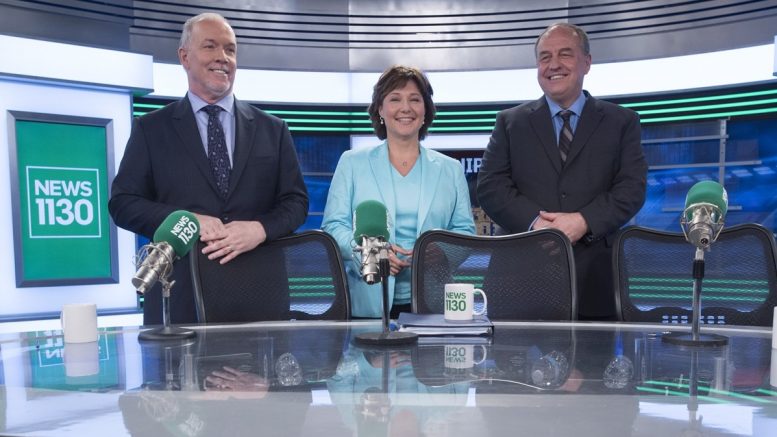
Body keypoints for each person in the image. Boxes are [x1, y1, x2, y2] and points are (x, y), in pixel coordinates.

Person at [109, 13, 308, 325]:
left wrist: (259, 229)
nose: (222, 58)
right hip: (181, 301)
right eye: (211, 47)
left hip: (259, 300)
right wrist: (185, 222)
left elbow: (296, 203)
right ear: (185, 57)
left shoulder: (273, 128)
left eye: (230, 50)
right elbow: (122, 204)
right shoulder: (151, 129)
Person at [476, 23, 647, 320]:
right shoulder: (509, 122)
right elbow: (491, 186)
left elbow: (631, 189)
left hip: (595, 279)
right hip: (517, 278)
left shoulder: (622, 122)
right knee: (508, 367)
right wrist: (537, 224)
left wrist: (583, 221)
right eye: (544, 57)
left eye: (565, 54)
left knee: (591, 366)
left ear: (587, 62)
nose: (553, 65)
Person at [322, 65, 475, 318]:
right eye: (395, 99)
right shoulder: (352, 163)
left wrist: (439, 250)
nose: (406, 108)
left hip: (432, 305)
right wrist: (373, 253)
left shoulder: (451, 169)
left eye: (415, 99)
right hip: (368, 302)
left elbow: (465, 232)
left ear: (426, 111)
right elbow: (333, 226)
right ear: (380, 109)